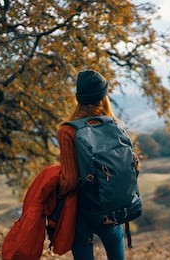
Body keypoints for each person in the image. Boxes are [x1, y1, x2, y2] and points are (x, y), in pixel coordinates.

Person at [58, 70, 126, 260]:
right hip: (111, 209)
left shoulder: (68, 131)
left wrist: (55, 190)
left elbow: (70, 181)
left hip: (82, 211)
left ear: (79, 98)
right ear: (104, 96)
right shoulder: (116, 125)